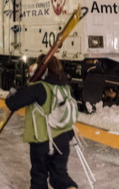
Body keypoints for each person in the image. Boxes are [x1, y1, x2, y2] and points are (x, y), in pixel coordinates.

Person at [5, 54, 78, 189]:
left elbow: (12, 103)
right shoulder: (65, 87)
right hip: (63, 141)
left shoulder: (38, 88)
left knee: (39, 177)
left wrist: (16, 90)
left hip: (43, 143)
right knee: (59, 177)